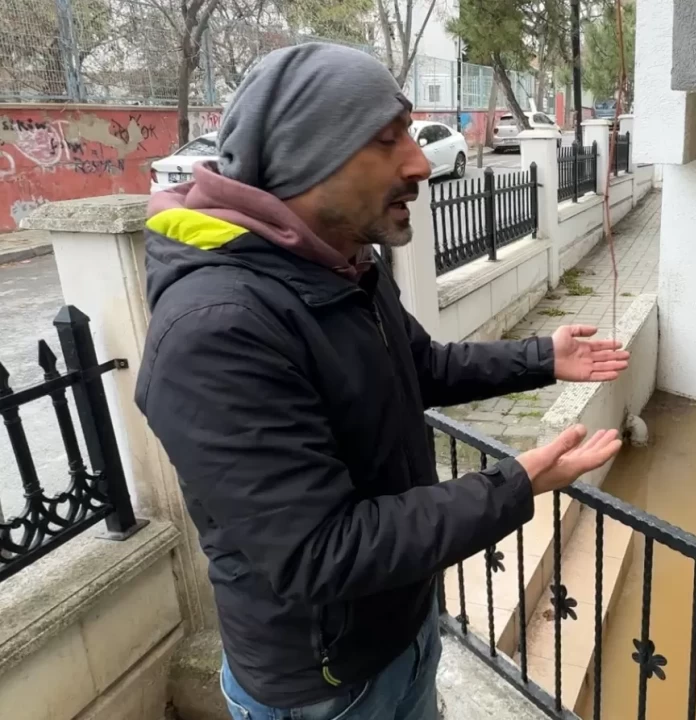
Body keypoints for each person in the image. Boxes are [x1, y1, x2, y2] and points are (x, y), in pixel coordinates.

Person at [134, 42, 628, 720]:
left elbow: (418, 368)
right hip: (322, 690)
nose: (421, 161)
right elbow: (321, 549)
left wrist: (542, 357)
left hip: (403, 634)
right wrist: (517, 485)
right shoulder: (215, 332)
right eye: (386, 138)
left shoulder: (341, 265)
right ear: (310, 157)